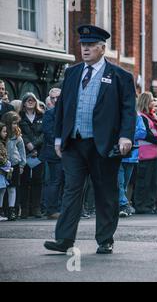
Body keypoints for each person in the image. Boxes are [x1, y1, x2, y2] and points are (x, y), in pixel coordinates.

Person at [44, 25, 136, 254]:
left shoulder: (120, 76)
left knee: (105, 192)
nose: (84, 49)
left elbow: (128, 110)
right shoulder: (72, 73)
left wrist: (126, 136)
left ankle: (105, 239)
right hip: (74, 143)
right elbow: (63, 107)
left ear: (102, 48)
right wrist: (58, 138)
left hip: (103, 144)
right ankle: (64, 240)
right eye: (83, 45)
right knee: (71, 191)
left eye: (90, 46)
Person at [134, 92, 157, 214]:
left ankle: (150, 205)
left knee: (153, 181)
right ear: (146, 102)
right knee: (144, 181)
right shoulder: (142, 116)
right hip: (145, 154)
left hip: (155, 153)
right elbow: (146, 133)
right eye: (152, 100)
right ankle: (141, 206)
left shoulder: (152, 117)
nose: (154, 103)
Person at [19, 92, 44, 218]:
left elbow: (45, 133)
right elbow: (19, 133)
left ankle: (36, 208)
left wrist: (34, 145)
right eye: (28, 100)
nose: (30, 102)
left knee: (37, 180)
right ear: (23, 103)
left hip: (39, 152)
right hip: (24, 153)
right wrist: (28, 143)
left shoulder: (42, 115)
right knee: (24, 180)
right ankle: (24, 208)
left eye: (32, 100)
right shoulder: (19, 117)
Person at [40, 89, 64, 220]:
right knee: (55, 181)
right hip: (53, 152)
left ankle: (64, 209)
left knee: (68, 182)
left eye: (57, 97)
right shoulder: (49, 114)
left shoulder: (69, 111)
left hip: (68, 152)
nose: (55, 100)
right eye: (52, 98)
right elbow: (48, 133)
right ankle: (52, 210)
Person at [118, 115, 146, 218]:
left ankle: (120, 205)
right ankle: (123, 205)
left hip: (132, 155)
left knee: (125, 183)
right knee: (119, 182)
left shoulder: (137, 116)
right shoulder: (115, 113)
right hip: (117, 155)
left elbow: (143, 132)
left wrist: (125, 135)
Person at [2, 112, 26, 221]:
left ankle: (12, 210)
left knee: (12, 188)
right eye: (13, 123)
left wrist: (22, 164)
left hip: (15, 164)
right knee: (2, 189)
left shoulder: (18, 137)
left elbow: (22, 151)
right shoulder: (3, 135)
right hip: (2, 165)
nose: (15, 125)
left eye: (16, 123)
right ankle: (2, 209)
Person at [0, 122, 13, 222]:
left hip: (2, 171)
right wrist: (6, 162)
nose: (6, 133)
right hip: (1, 170)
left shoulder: (2, 143)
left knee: (3, 191)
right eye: (4, 131)